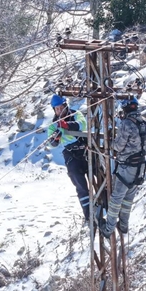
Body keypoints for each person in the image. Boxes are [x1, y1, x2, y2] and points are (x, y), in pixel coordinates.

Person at [105, 96, 146, 238]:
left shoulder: (126, 123)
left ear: (125, 108)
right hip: (140, 166)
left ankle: (108, 228)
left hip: (126, 167)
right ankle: (124, 225)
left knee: (116, 199)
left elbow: (118, 146)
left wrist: (112, 143)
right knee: (128, 199)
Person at [47, 94, 91, 223]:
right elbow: (51, 144)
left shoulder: (76, 114)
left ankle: (104, 203)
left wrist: (67, 125)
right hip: (71, 154)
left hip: (85, 149)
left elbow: (82, 125)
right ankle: (88, 215)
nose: (59, 111)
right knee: (80, 185)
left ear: (65, 105)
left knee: (98, 175)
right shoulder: (53, 126)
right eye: (56, 109)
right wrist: (55, 139)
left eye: (60, 107)